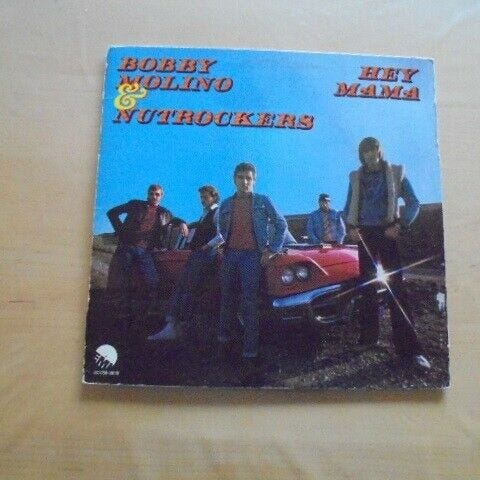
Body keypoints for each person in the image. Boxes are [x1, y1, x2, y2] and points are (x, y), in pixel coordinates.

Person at [344, 137, 431, 370]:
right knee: (367, 288)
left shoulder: (395, 172)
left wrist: (400, 226)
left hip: (387, 232)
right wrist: (351, 229)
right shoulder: (355, 177)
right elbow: (347, 207)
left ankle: (410, 350)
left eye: (374, 150)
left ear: (380, 152)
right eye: (366, 151)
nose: (370, 155)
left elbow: (413, 202)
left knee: (396, 288)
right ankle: (368, 338)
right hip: (364, 235)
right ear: (361, 155)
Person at [217, 162, 287, 365]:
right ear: (234, 180)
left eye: (249, 178)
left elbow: (281, 224)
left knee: (250, 302)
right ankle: (224, 344)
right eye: (241, 178)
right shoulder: (226, 204)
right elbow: (221, 229)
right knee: (226, 299)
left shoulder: (263, 201)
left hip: (253, 257)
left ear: (254, 180)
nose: (245, 181)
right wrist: (221, 245)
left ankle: (250, 351)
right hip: (230, 255)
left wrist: (272, 250)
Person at [148, 185, 223, 341]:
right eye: (201, 197)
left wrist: (207, 246)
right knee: (183, 286)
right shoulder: (205, 214)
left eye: (205, 197)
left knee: (187, 287)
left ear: (214, 197)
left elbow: (223, 235)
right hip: (198, 254)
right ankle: (174, 326)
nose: (202, 200)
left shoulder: (217, 212)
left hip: (206, 255)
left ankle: (176, 327)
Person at [107, 184, 188, 322]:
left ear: (161, 196)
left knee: (152, 279)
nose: (154, 197)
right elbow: (112, 213)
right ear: (148, 194)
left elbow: (174, 219)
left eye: (157, 194)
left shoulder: (164, 213)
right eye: (152, 193)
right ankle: (123, 312)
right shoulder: (136, 204)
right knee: (124, 279)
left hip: (145, 250)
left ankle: (149, 311)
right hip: (127, 246)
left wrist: (183, 223)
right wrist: (121, 231)